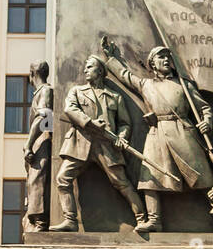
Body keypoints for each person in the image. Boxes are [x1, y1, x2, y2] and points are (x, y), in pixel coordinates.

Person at [99, 35, 213, 230]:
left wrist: (207, 122)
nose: (166, 60)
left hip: (182, 132)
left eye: (168, 57)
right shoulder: (147, 85)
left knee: (202, 176)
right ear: (152, 63)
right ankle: (154, 220)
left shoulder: (184, 85)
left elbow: (204, 108)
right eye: (161, 57)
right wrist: (111, 59)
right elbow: (126, 76)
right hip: (157, 133)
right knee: (150, 176)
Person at [52, 54, 148, 233]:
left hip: (106, 146)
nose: (85, 70)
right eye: (86, 67)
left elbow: (125, 123)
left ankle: (142, 219)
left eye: (89, 67)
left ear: (100, 71)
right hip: (81, 143)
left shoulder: (114, 97)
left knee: (121, 183)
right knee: (62, 179)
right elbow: (70, 109)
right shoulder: (77, 91)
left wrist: (121, 137)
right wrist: (89, 122)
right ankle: (70, 220)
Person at [23, 60, 53, 232]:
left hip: (42, 139)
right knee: (33, 180)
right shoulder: (40, 92)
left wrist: (29, 144)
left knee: (38, 179)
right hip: (39, 140)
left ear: (32, 74)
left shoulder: (46, 91)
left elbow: (43, 117)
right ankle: (35, 219)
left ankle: (40, 221)